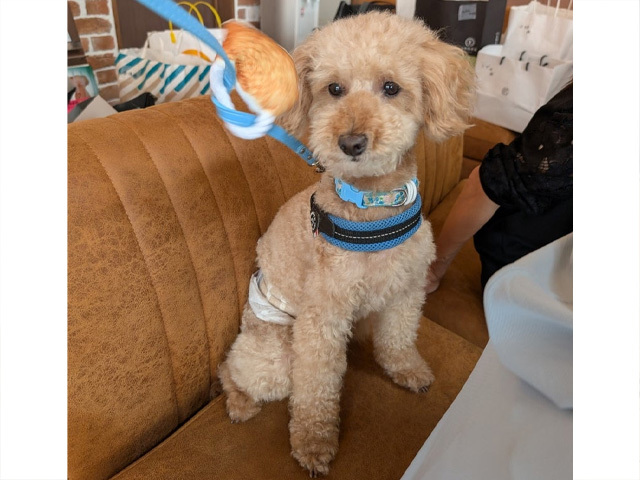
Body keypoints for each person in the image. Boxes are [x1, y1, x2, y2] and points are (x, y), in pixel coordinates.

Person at [426, 82, 573, 293]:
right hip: (531, 273)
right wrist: (433, 269)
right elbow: (491, 182)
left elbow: (491, 182)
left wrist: (433, 269)